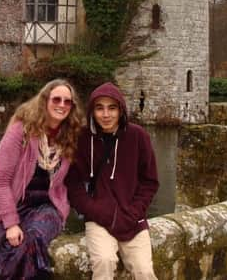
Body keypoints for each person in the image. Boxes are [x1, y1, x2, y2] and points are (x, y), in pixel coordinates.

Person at [0, 79, 83, 279]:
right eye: (57, 99)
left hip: (48, 208)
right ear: (45, 100)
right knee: (16, 243)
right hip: (13, 205)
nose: (62, 105)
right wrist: (11, 223)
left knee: (33, 238)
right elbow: (0, 181)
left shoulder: (71, 137)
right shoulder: (21, 131)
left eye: (67, 102)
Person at [66, 82, 159, 279]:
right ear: (92, 111)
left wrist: (134, 212)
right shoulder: (83, 139)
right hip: (98, 218)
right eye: (99, 108)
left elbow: (149, 182)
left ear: (121, 110)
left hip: (133, 219)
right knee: (104, 262)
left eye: (112, 108)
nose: (106, 115)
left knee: (144, 271)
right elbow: (73, 185)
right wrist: (94, 210)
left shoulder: (138, 136)